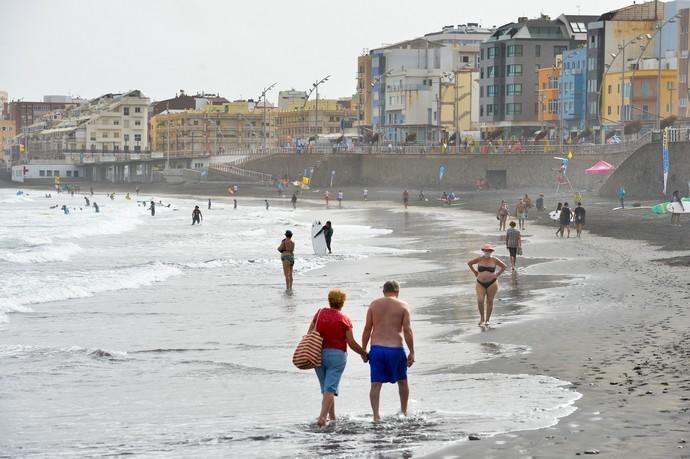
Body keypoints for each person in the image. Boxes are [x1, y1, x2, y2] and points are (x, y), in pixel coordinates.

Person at [309, 288, 368, 427]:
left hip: (317, 353)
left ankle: (333, 418)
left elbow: (310, 333)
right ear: (342, 302)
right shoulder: (344, 319)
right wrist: (363, 353)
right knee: (330, 388)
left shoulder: (319, 313)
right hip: (336, 356)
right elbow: (351, 343)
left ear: (330, 300)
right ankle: (323, 418)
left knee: (326, 388)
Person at [361, 280, 414, 422]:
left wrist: (363, 350)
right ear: (397, 292)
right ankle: (403, 412)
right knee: (402, 381)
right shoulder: (403, 305)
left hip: (377, 349)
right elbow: (407, 330)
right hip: (396, 348)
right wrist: (412, 351)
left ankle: (376, 416)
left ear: (383, 292)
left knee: (375, 384)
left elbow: (367, 328)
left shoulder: (374, 304)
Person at [467, 243, 507, 326]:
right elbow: (469, 263)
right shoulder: (479, 259)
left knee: (490, 301)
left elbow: (504, 266)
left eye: (489, 250)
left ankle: (487, 320)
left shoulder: (494, 260)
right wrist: (475, 272)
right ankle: (482, 318)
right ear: (483, 251)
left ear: (491, 251)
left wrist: (497, 274)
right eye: (486, 250)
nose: (487, 252)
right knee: (480, 301)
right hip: (480, 283)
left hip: (492, 283)